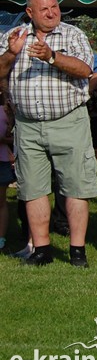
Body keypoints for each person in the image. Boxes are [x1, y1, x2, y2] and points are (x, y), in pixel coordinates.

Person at [0, 0, 96, 267]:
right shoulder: (15, 37)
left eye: (55, 7)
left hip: (69, 121)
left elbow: (85, 68)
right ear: (30, 12)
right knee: (33, 189)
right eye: (44, 9)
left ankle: (77, 251)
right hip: (28, 125)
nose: (52, 13)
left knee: (76, 187)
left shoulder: (72, 35)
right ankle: (41, 249)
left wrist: (52, 56)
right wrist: (10, 53)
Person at [0, 86, 13, 252]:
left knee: (1, 201)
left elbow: (12, 135)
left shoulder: (6, 107)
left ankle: (1, 238)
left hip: (2, 160)